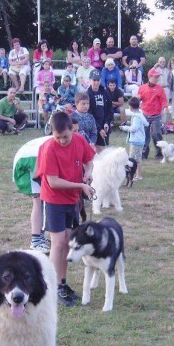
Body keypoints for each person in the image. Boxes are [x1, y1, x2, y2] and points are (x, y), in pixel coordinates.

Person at [34, 111, 95, 306]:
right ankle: (52, 288)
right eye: (57, 136)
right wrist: (80, 186)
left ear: (72, 129)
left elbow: (89, 160)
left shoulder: (79, 140)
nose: (61, 140)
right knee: (58, 243)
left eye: (65, 136)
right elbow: (53, 182)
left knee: (68, 241)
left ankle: (62, 283)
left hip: (71, 199)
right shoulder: (49, 148)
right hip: (54, 199)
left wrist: (88, 173)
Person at [12, 136, 53, 253]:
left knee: (44, 199)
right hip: (27, 164)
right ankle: (36, 241)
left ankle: (41, 236)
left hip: (35, 158)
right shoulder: (49, 149)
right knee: (39, 200)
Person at [138, 67, 168, 160]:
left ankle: (159, 154)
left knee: (156, 134)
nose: (157, 78)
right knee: (145, 135)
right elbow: (139, 98)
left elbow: (163, 100)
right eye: (155, 77)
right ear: (150, 77)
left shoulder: (160, 89)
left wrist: (164, 107)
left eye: (158, 77)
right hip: (145, 114)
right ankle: (144, 154)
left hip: (156, 115)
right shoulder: (142, 88)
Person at [119, 96, 148, 180]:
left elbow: (134, 129)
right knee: (137, 158)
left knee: (133, 159)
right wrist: (129, 123)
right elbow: (144, 124)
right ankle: (137, 174)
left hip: (136, 141)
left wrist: (124, 128)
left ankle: (137, 175)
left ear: (130, 107)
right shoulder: (140, 115)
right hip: (140, 140)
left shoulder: (136, 117)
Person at [86, 70, 113, 152]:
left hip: (104, 125)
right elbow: (89, 113)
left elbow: (110, 109)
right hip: (93, 127)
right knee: (94, 151)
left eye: (98, 80)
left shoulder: (105, 92)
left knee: (103, 151)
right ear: (90, 80)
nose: (96, 82)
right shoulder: (87, 94)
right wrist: (99, 129)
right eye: (94, 80)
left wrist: (107, 122)